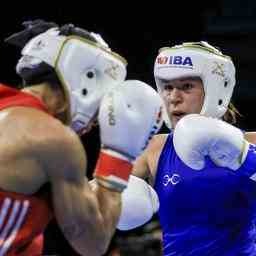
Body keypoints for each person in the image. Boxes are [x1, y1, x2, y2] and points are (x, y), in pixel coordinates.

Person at [0, 20, 163, 256]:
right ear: (87, 78)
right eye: (103, 103)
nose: (97, 120)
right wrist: (119, 156)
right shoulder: (54, 139)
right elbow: (92, 243)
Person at [119, 41, 256, 255]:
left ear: (214, 89)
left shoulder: (251, 143)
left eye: (186, 87)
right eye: (168, 88)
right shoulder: (154, 148)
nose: (174, 98)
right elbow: (101, 205)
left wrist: (245, 157)